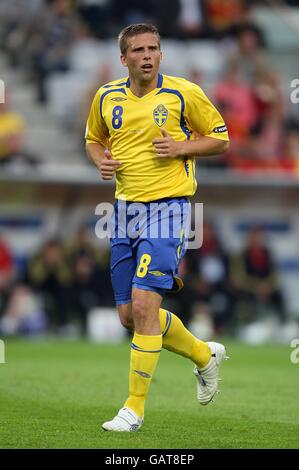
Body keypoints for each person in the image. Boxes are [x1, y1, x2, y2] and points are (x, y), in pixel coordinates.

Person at [85, 23, 230, 432]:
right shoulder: (106, 96)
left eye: (153, 48)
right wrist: (100, 160)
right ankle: (204, 355)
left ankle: (133, 410)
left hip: (169, 209)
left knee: (146, 307)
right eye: (138, 50)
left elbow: (221, 137)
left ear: (161, 54)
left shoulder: (184, 93)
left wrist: (183, 146)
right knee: (130, 315)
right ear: (124, 58)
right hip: (124, 211)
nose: (147, 55)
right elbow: (93, 139)